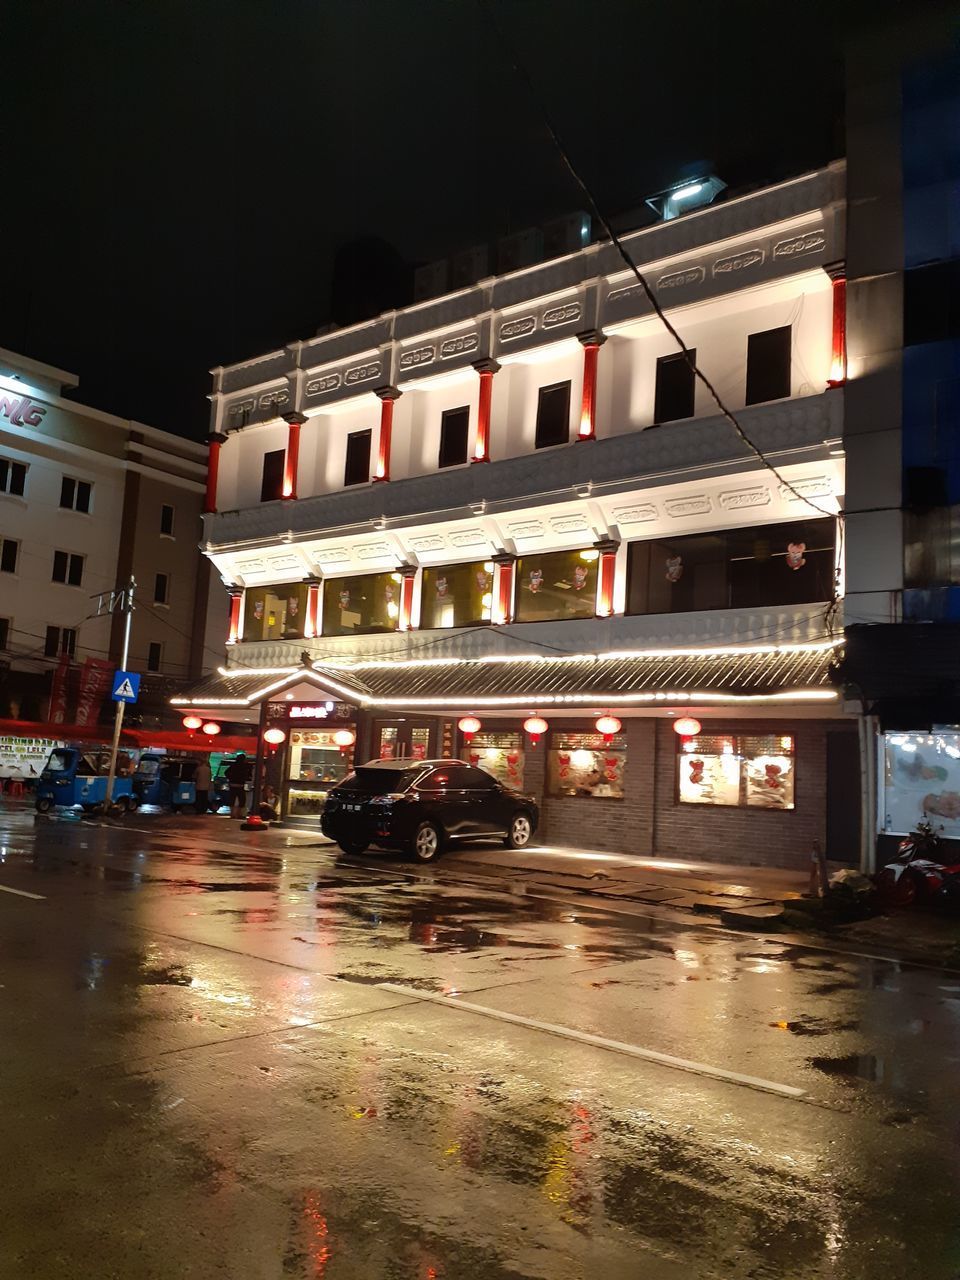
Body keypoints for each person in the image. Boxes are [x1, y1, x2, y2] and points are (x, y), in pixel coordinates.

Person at [226, 752, 252, 818]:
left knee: (232, 799)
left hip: (232, 784)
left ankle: (232, 814)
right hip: (240, 785)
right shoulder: (245, 766)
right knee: (242, 800)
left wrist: (230, 778)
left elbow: (226, 772)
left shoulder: (233, 765)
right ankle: (239, 814)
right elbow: (248, 775)